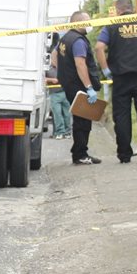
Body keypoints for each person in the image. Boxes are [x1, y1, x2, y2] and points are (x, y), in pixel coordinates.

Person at [95, 0, 137, 163]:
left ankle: (124, 154)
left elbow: (98, 47)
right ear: (132, 8)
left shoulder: (111, 25)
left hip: (120, 78)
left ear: (118, 10)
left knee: (122, 116)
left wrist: (106, 70)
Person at [54, 11, 103, 165]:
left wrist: (63, 70)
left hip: (68, 83)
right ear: (78, 22)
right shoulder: (78, 41)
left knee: (80, 118)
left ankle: (80, 152)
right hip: (79, 85)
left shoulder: (65, 38)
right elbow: (80, 64)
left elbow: (54, 56)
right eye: (87, 21)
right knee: (83, 120)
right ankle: (80, 154)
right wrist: (88, 87)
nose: (90, 24)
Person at [45, 63, 71, 139]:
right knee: (57, 114)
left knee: (67, 114)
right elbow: (43, 78)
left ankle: (67, 132)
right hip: (54, 94)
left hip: (65, 93)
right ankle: (60, 132)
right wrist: (51, 80)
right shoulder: (48, 68)